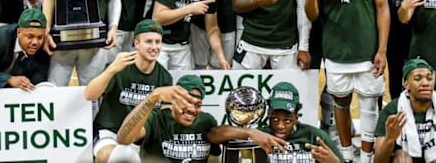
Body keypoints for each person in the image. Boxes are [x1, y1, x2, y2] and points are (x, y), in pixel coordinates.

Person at [305, 0, 394, 163]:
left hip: (367, 50)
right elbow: (312, 15)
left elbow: (383, 8)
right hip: (335, 50)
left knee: (369, 105)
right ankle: (345, 155)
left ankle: (366, 157)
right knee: (340, 103)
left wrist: (383, 49)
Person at [115, 74, 287, 162]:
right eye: (187, 102)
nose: (191, 109)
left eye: (197, 104)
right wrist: (152, 98)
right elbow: (123, 138)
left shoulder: (205, 121)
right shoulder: (157, 118)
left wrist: (249, 132)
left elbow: (215, 133)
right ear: (174, 100)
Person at [84, 19, 173, 163]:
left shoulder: (164, 77)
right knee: (108, 155)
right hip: (110, 132)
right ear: (136, 43)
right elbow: (89, 95)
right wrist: (112, 69)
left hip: (140, 136)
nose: (154, 47)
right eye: (149, 41)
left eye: (158, 42)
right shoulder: (121, 65)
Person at [375, 58, 436, 163]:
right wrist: (390, 138)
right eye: (417, 79)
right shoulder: (392, 111)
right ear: (406, 84)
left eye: (429, 78)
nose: (425, 83)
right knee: (401, 158)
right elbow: (378, 161)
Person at [260, 82, 344, 163]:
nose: (280, 126)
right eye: (275, 119)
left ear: (296, 116)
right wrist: (249, 133)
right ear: (268, 113)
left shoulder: (314, 136)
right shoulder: (260, 136)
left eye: (287, 120)